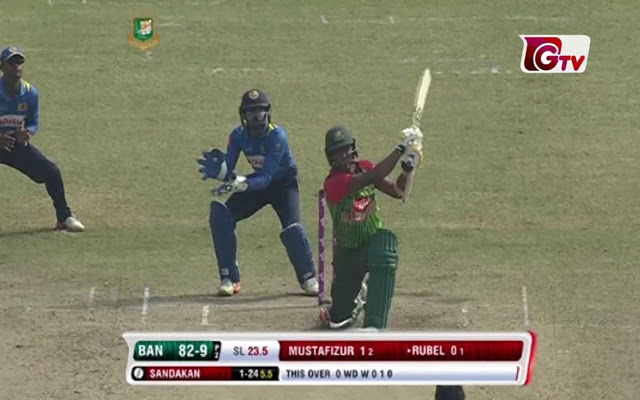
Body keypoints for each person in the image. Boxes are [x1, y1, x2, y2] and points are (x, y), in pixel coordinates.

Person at [197, 89, 317, 296]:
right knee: (221, 216)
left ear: (267, 112)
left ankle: (309, 278)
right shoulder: (238, 136)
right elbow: (230, 167)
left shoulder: (277, 136)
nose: (255, 116)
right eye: (251, 112)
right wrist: (222, 172)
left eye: (259, 111)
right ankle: (229, 278)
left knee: (293, 229)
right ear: (243, 114)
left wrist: (242, 184)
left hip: (283, 185)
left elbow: (268, 176)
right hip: (257, 183)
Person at [319, 124, 423, 329]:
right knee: (339, 320)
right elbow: (372, 177)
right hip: (348, 250)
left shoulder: (365, 167)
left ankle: (375, 324)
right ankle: (355, 298)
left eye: (345, 150)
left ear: (353, 149)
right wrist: (400, 148)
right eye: (337, 153)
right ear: (330, 157)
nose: (342, 156)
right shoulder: (334, 183)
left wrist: (407, 170)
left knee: (386, 248)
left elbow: (397, 191)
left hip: (373, 240)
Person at [0, 46, 84, 232]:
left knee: (51, 172)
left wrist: (27, 133)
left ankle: (64, 217)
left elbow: (33, 121)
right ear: (2, 67)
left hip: (14, 144)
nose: (16, 67)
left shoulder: (30, 94)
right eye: (11, 63)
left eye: (20, 62)